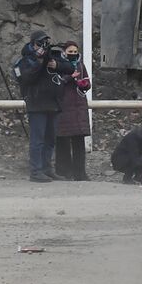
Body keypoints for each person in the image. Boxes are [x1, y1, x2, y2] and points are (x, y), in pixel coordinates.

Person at [15, 29, 62, 183]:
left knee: (50, 139)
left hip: (52, 103)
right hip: (36, 104)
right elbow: (27, 78)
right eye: (39, 43)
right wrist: (40, 62)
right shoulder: (24, 61)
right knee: (37, 140)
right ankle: (36, 171)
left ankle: (47, 168)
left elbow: (69, 68)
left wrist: (54, 61)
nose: (42, 46)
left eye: (44, 43)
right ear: (32, 44)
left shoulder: (51, 57)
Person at [53, 40, 92, 181]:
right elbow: (57, 84)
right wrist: (70, 78)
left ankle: (80, 172)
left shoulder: (81, 65)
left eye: (75, 52)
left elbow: (87, 82)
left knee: (79, 142)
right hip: (64, 106)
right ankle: (64, 171)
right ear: (64, 52)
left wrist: (84, 84)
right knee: (62, 141)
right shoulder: (58, 65)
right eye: (70, 52)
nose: (73, 54)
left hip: (79, 106)